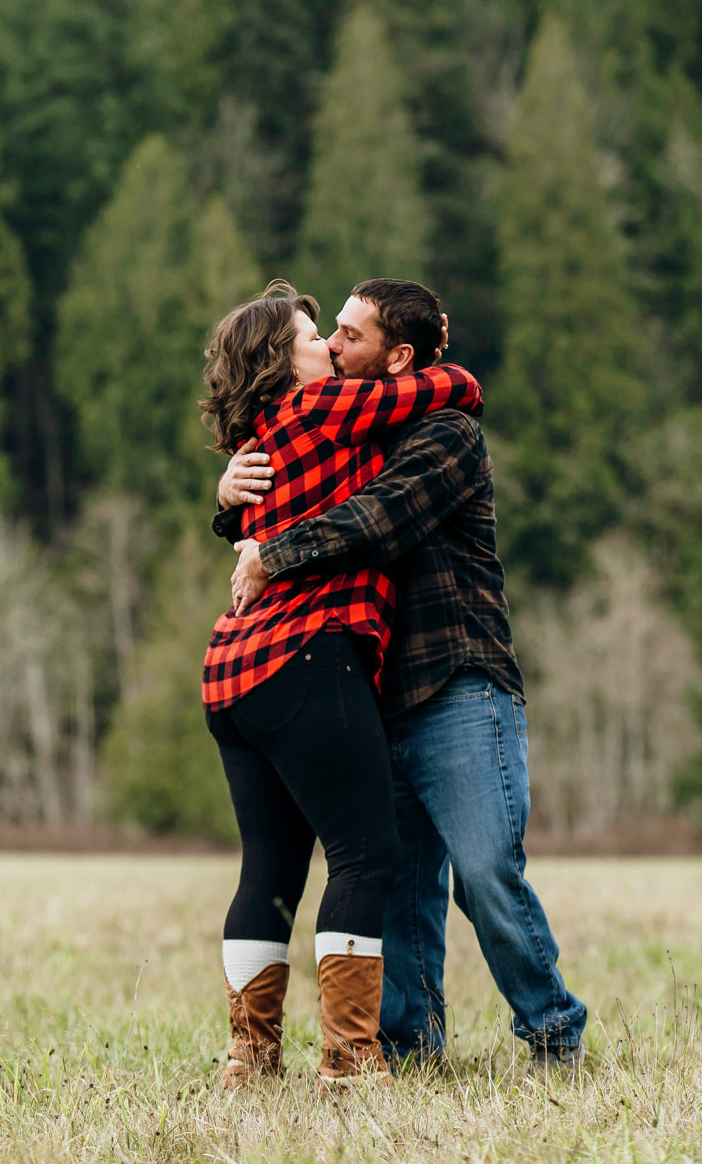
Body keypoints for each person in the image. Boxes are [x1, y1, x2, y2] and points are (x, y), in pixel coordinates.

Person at [216, 278, 589, 1071]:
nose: (335, 346)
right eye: (329, 334)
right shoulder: (353, 425)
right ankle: (409, 1044)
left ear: (400, 358)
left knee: (485, 872)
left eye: (351, 336)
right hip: (373, 688)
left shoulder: (447, 432)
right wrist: (230, 503)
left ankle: (554, 1032)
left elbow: (377, 518)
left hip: (457, 683)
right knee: (398, 882)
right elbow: (289, 477)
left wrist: (270, 554)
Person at [197, 280, 484, 1090]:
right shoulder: (324, 409)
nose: (329, 348)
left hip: (234, 674)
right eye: (311, 337)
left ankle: (248, 1061)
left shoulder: (259, 437)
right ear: (285, 365)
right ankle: (352, 1060)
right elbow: (454, 388)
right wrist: (447, 364)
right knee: (366, 854)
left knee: (270, 871)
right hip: (305, 656)